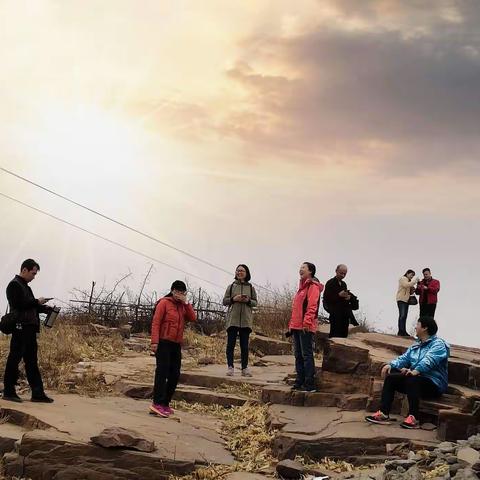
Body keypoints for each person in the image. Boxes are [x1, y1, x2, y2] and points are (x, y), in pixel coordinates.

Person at [365, 316, 449, 429]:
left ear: (424, 328)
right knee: (391, 377)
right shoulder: (416, 345)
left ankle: (414, 417)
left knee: (412, 379)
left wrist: (415, 371)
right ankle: (383, 413)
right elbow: (404, 358)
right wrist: (391, 365)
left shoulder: (438, 344)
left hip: (433, 384)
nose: (415, 327)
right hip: (415, 380)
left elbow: (429, 360)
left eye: (418, 324)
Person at [2, 259, 54, 403]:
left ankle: (37, 393)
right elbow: (18, 304)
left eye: (35, 274)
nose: (34, 276)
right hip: (20, 328)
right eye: (33, 273)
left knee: (31, 361)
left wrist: (45, 308)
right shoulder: (14, 285)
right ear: (24, 270)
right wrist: (37, 301)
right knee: (14, 359)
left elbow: (31, 306)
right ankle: (8, 391)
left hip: (30, 329)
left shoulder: (26, 286)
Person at [150, 280, 196, 417]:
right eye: (177, 292)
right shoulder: (164, 303)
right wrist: (154, 342)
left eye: (182, 292)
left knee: (175, 374)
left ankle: (165, 403)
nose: (179, 295)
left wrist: (186, 303)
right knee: (162, 372)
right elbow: (156, 322)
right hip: (164, 342)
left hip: (176, 344)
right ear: (172, 290)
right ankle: (156, 403)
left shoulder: (183, 306)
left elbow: (193, 318)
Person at [288, 262, 324, 393]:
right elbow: (296, 309)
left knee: (306, 355)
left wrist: (307, 323)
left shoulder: (313, 286)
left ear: (311, 271)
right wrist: (291, 325)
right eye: (300, 268)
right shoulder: (301, 287)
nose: (300, 270)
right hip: (297, 326)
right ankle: (300, 381)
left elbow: (312, 306)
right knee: (298, 354)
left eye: (303, 268)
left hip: (305, 327)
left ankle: (310, 384)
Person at [223, 264, 258, 377]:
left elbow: (255, 303)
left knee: (244, 346)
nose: (239, 272)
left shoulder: (251, 288)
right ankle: (230, 367)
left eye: (242, 271)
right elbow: (224, 301)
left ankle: (244, 368)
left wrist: (248, 301)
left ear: (246, 273)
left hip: (246, 320)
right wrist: (234, 299)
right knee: (231, 345)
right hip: (232, 319)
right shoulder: (231, 286)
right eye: (238, 271)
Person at [323, 264, 351, 338]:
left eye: (344, 274)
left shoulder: (344, 284)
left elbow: (344, 300)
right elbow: (326, 298)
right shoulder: (330, 283)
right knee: (334, 335)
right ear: (336, 271)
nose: (342, 275)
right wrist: (339, 295)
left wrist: (347, 298)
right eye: (341, 273)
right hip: (335, 313)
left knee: (344, 335)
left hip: (344, 314)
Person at [396, 269, 419, 336]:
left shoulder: (409, 281)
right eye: (411, 275)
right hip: (401, 299)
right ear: (407, 273)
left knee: (404, 316)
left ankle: (403, 331)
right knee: (402, 315)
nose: (412, 277)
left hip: (406, 300)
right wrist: (415, 281)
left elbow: (410, 288)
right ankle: (400, 331)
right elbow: (406, 285)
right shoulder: (403, 278)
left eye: (413, 276)